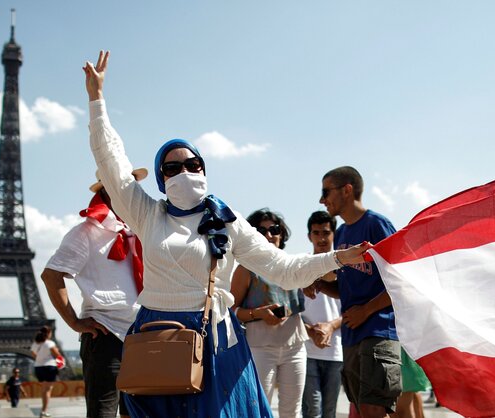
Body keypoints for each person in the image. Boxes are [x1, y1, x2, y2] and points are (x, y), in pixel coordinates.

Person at [81, 50, 368, 418]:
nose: (183, 171)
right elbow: (111, 163)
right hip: (157, 333)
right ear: (160, 178)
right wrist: (97, 100)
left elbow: (284, 269)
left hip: (216, 339)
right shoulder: (147, 213)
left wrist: (337, 258)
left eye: (192, 164)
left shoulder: (227, 222)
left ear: (204, 168)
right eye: (172, 167)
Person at [41, 172, 147, 418]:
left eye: (133, 187)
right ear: (106, 190)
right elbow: (51, 275)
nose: (131, 192)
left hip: (142, 335)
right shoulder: (85, 232)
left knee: (140, 412)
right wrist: (74, 322)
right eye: (124, 186)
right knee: (103, 412)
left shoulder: (140, 230)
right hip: (106, 335)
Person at [315, 166, 401, 418]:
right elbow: (346, 289)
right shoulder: (341, 233)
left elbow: (400, 281)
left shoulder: (377, 225)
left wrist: (366, 310)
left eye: (326, 191)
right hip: (351, 337)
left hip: (378, 331)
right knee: (361, 411)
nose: (322, 200)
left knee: (375, 411)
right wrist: (320, 284)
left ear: (347, 189)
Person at [231, 209, 307, 418]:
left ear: (281, 234)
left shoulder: (292, 264)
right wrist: (258, 314)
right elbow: (231, 311)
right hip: (260, 348)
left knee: (293, 411)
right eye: (261, 230)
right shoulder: (245, 269)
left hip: (295, 346)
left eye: (274, 229)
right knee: (259, 409)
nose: (269, 235)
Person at [301, 211, 344, 418]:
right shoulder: (300, 267)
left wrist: (331, 326)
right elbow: (290, 309)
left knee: (329, 413)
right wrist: (310, 331)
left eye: (326, 232)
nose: (321, 238)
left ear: (334, 234)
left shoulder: (346, 268)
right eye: (316, 233)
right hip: (306, 350)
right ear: (309, 236)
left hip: (336, 351)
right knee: (312, 412)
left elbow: (352, 309)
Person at [30, 326, 62, 418]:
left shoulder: (35, 344)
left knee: (44, 390)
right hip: (49, 367)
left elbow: (34, 355)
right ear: (48, 333)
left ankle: (43, 410)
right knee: (48, 390)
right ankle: (44, 411)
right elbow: (58, 355)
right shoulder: (50, 343)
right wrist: (61, 365)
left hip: (38, 367)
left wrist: (41, 359)